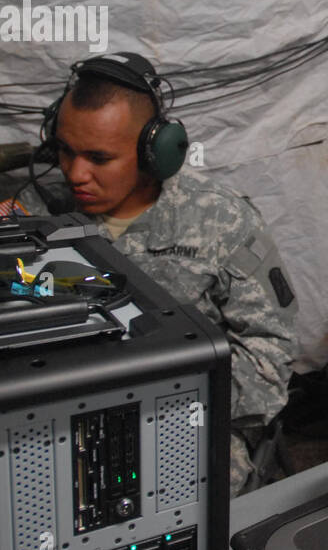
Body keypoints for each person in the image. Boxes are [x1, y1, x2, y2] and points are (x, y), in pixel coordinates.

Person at [43, 52, 298, 494]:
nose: (75, 173)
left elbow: (269, 362)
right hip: (59, 417)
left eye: (99, 158)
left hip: (186, 419)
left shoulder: (221, 222)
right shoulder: (38, 216)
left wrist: (152, 396)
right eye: (65, 151)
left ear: (153, 154)